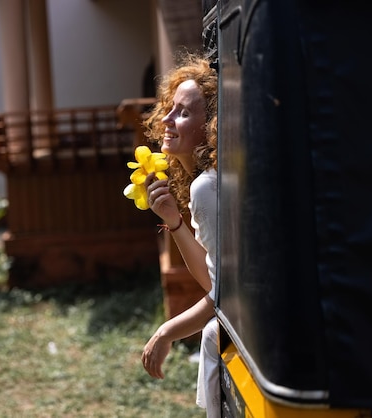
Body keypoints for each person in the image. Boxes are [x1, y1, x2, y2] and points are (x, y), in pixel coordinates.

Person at [139, 52, 220, 417]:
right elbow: (212, 281)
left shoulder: (208, 187)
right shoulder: (203, 183)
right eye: (170, 109)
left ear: (213, 126)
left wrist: (166, 331)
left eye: (184, 113)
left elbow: (223, 297)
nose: (167, 120)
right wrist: (174, 221)